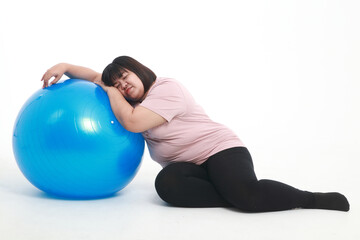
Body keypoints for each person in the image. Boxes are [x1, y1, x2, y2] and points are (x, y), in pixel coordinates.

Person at [41, 56, 350, 212]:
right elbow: (96, 76)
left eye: (124, 77)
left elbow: (132, 123)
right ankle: (229, 194)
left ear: (138, 69)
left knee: (247, 197)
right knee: (167, 186)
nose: (122, 85)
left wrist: (110, 91)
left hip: (221, 150)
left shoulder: (166, 89)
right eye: (117, 84)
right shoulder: (127, 97)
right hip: (187, 167)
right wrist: (66, 66)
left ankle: (311, 199)